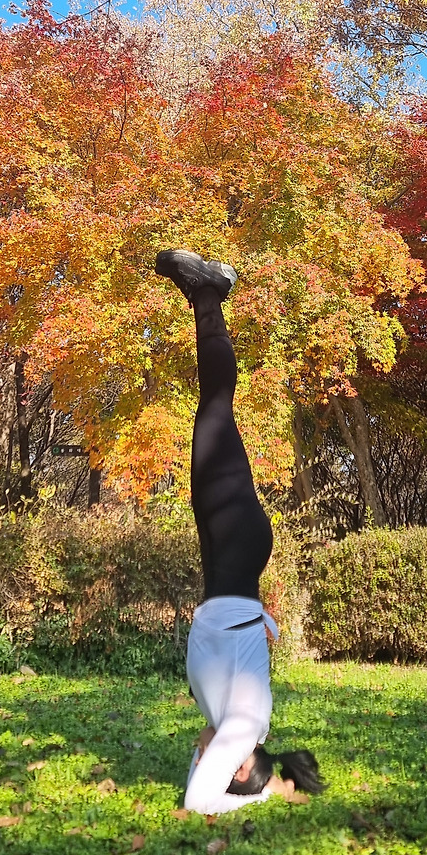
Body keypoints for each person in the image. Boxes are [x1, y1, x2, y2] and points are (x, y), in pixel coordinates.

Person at [154, 248, 325, 814]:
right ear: (242, 767)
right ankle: (209, 292)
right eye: (222, 766)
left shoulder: (229, 722)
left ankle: (206, 295)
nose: (203, 757)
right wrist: (268, 793)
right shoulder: (245, 726)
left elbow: (202, 772)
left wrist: (215, 753)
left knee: (212, 413)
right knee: (215, 409)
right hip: (235, 548)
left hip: (229, 562)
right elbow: (198, 801)